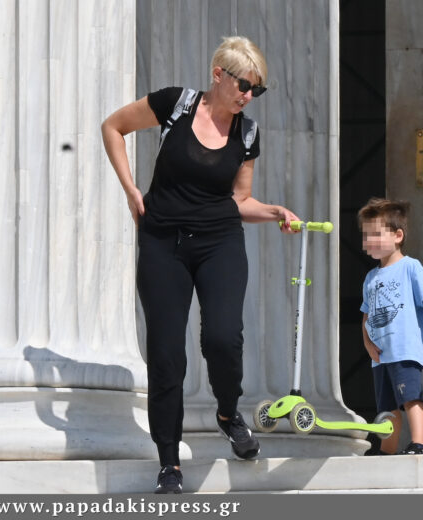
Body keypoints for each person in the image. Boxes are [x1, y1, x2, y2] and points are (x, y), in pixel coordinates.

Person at [101, 36, 299, 493]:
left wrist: (275, 212)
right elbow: (113, 127)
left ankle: (228, 415)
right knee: (167, 354)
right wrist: (131, 190)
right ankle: (169, 462)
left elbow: (240, 201)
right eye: (244, 85)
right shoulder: (176, 105)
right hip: (163, 242)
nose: (249, 96)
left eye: (257, 90)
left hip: (219, 242)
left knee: (223, 338)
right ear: (218, 75)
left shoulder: (247, 133)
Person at [358, 198, 423, 455]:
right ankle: (386, 451)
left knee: (411, 398)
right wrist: (367, 343)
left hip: (404, 350)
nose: (369, 241)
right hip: (380, 356)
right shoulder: (370, 277)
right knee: (387, 409)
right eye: (366, 236)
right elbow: (366, 315)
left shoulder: (410, 267)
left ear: (398, 235)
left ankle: (419, 443)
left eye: (376, 234)